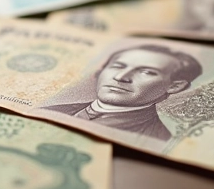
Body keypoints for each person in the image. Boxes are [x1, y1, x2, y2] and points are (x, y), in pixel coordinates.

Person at [41, 45, 202, 141]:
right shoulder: (52, 110)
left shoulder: (156, 138)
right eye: (117, 66)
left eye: (146, 72)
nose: (120, 77)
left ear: (175, 86)